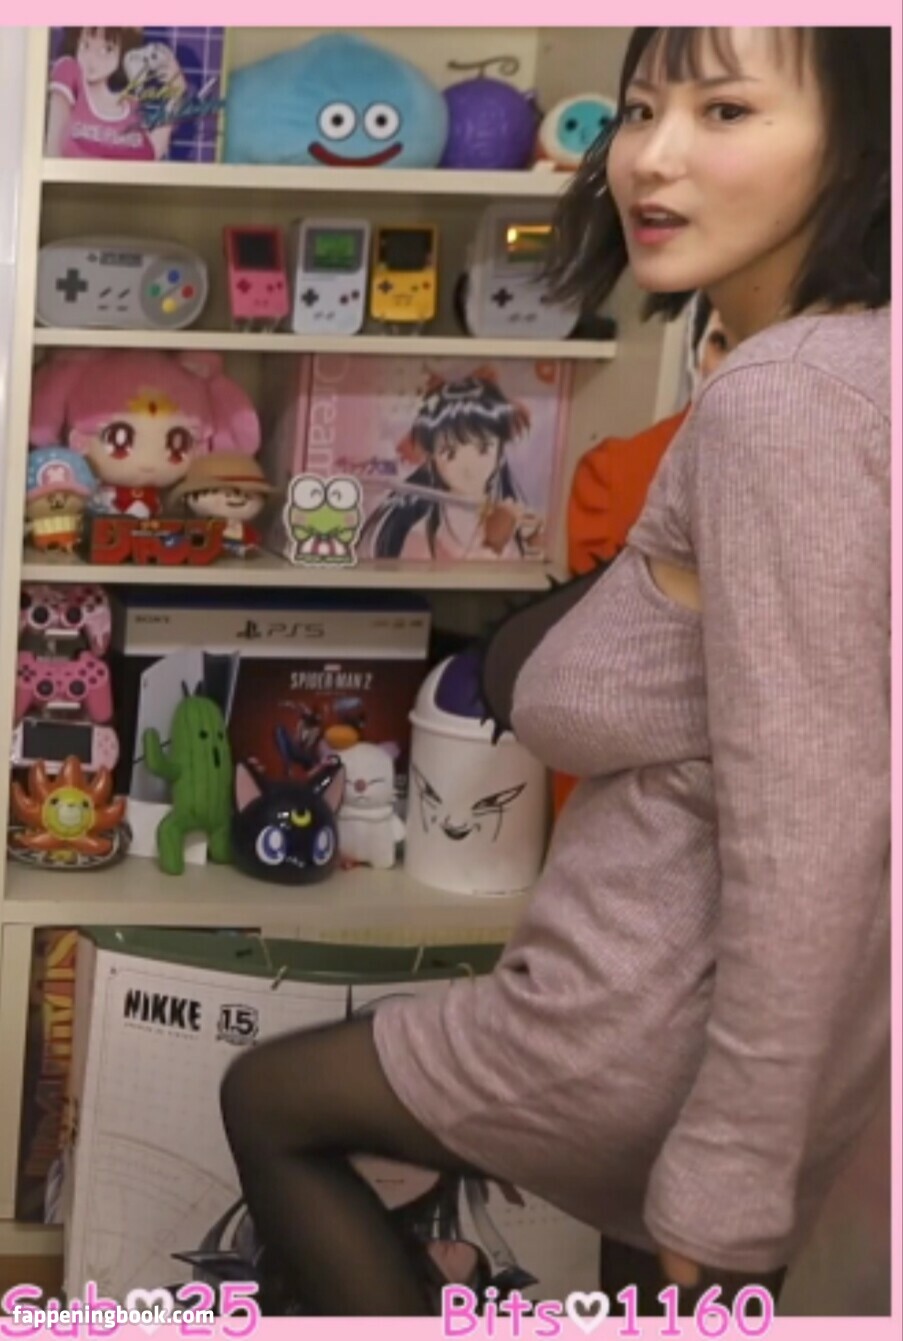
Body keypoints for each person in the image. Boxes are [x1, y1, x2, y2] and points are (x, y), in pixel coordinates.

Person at [220, 26, 890, 1317]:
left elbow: (814, 820)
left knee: (271, 1101)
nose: (652, 157)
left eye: (727, 110)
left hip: (648, 1025)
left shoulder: (789, 399)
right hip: (718, 1031)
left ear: (866, 143)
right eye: (639, 110)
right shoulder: (830, 370)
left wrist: (737, 1162)